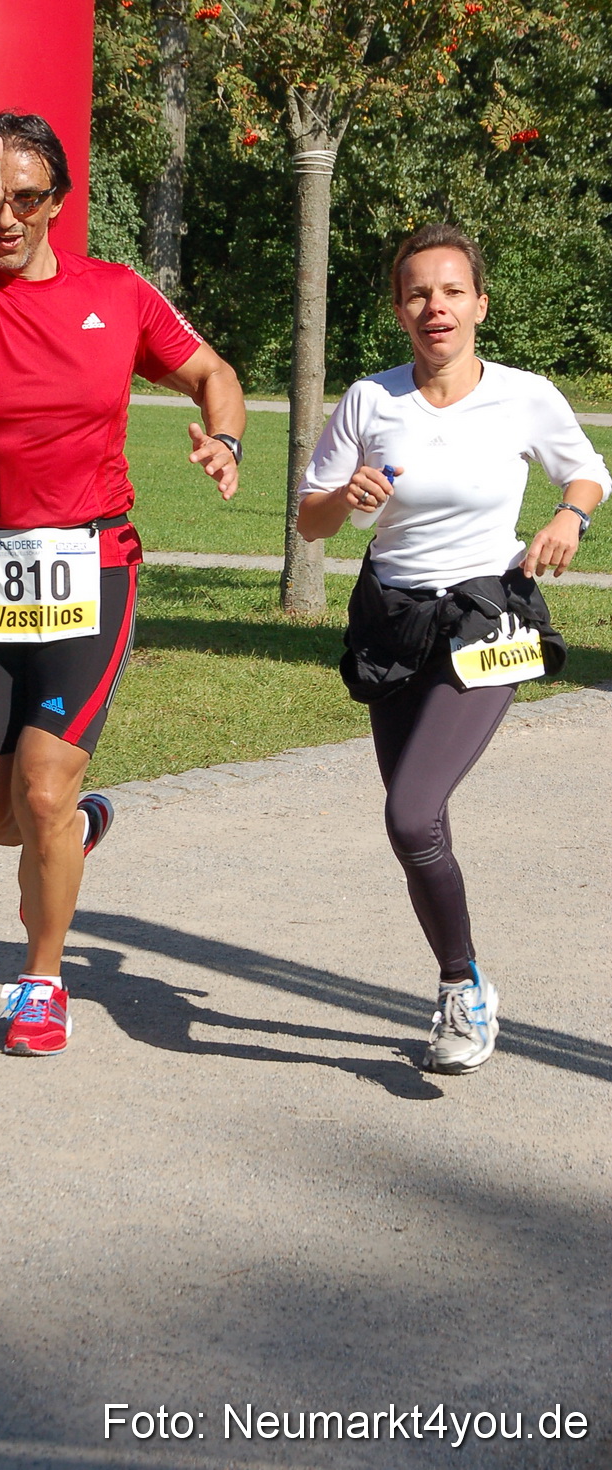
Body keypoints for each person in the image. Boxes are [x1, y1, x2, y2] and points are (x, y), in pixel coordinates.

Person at [0, 111, 245, 1056]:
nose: (5, 216)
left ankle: (41, 982)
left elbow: (214, 371)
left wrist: (225, 438)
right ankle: (79, 827)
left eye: (24, 198)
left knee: (42, 792)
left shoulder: (118, 296)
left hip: (92, 567)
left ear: (56, 201)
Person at [298, 222, 609, 1074]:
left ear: (478, 303)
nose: (434, 307)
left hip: (485, 618)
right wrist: (344, 495)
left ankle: (459, 990)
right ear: (399, 309)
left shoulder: (523, 395)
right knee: (417, 827)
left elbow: (587, 470)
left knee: (407, 811)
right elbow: (310, 517)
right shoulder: (371, 400)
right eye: (416, 293)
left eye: (449, 291)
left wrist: (566, 517)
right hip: (392, 620)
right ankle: (465, 976)